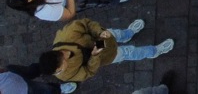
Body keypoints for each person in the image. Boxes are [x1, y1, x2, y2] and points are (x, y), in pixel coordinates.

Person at [37, 18, 173, 84]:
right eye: (59, 70)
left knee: (117, 34)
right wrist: (95, 56)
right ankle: (154, 51)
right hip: (106, 55)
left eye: (59, 69)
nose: (60, 73)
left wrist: (99, 32)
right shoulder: (64, 75)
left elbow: (86, 24)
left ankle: (129, 33)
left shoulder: (65, 35)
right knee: (129, 53)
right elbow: (88, 72)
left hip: (101, 37)